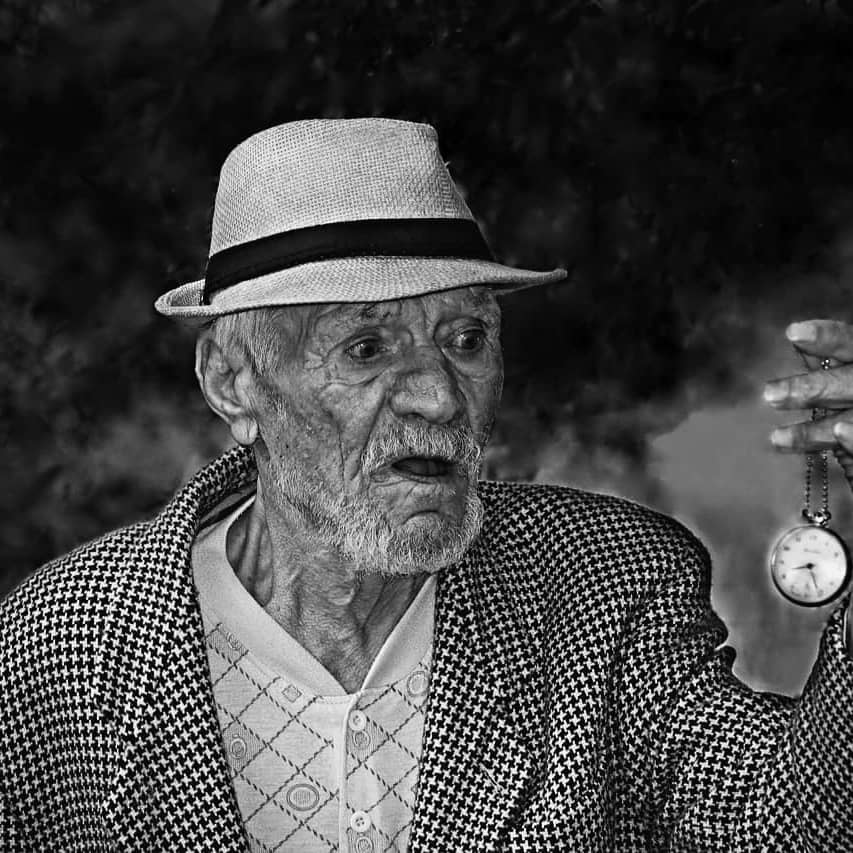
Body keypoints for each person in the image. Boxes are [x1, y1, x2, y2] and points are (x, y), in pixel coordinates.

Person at [1, 118, 851, 852]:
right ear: (233, 380)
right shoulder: (57, 647)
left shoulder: (606, 582)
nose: (441, 395)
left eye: (468, 338)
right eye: (366, 348)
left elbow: (786, 825)